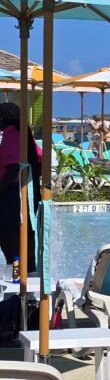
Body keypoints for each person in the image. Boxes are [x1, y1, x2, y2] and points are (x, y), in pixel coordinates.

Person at [0, 103, 40, 271]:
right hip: (26, 192)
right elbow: (39, 158)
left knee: (12, 242)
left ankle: (18, 282)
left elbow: (13, 167)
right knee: (24, 240)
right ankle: (25, 282)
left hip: (13, 194)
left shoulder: (12, 135)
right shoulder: (25, 135)